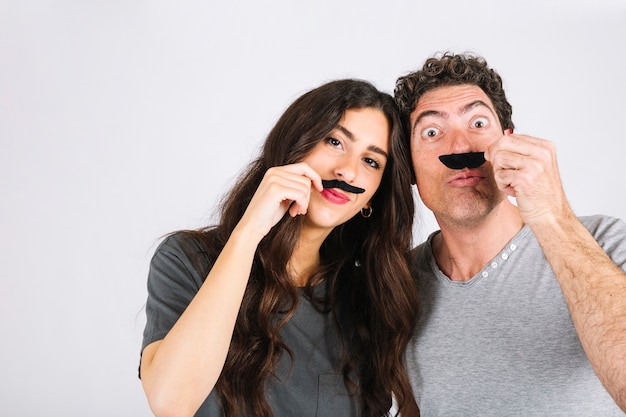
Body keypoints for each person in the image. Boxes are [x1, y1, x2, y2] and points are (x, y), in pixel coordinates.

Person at [139, 79, 419, 417]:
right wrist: (249, 232)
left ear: (370, 199)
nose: (347, 170)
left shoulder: (367, 297)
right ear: (295, 143)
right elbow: (172, 404)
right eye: (334, 141)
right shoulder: (187, 260)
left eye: (371, 162)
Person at [394, 52, 626, 416]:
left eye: (478, 123)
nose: (460, 146)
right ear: (407, 164)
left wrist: (551, 216)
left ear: (508, 142)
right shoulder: (397, 283)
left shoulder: (607, 242)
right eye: (432, 132)